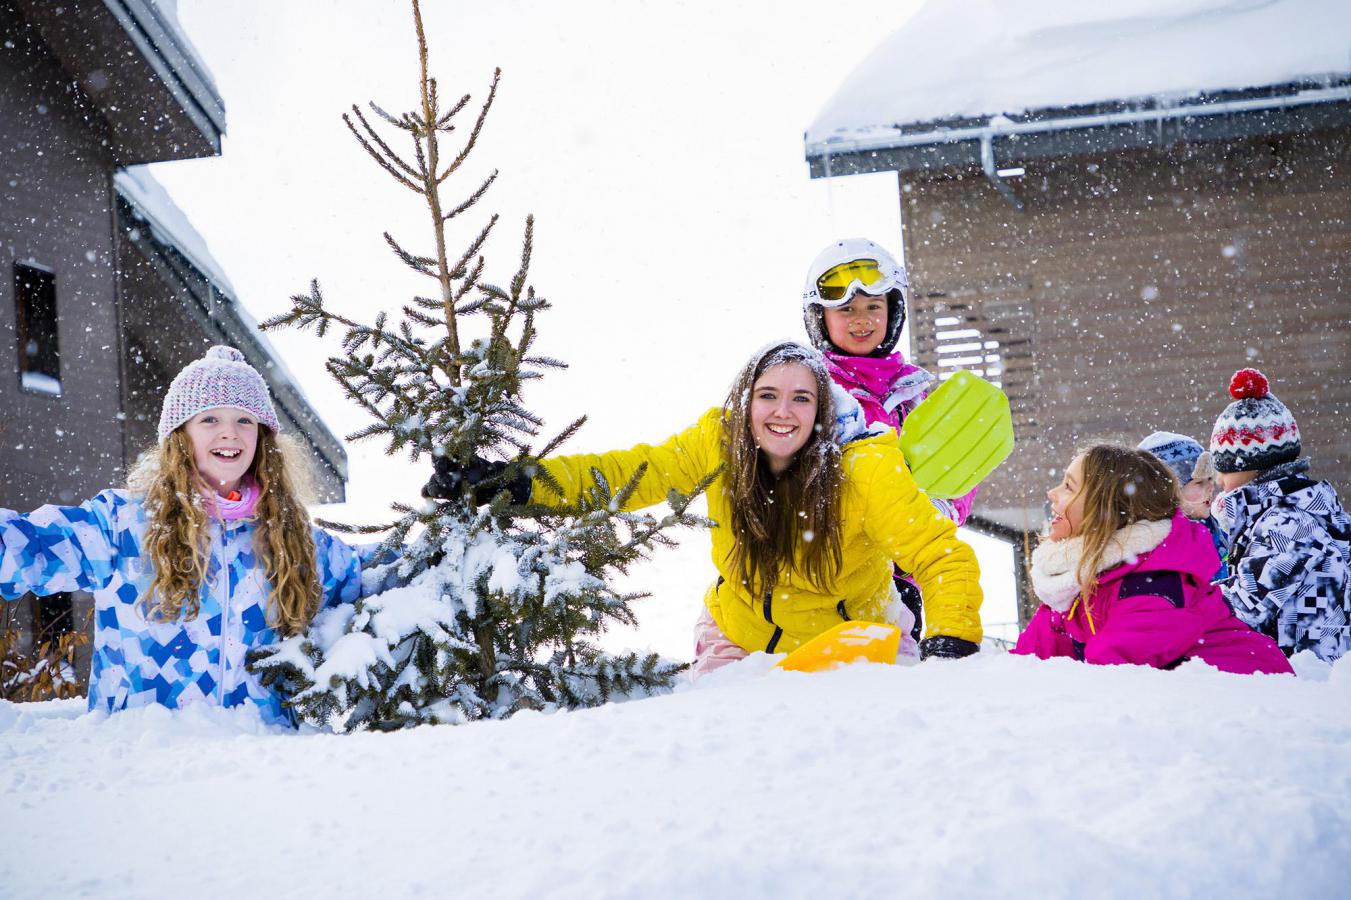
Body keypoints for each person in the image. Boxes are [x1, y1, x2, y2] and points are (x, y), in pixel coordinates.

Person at [424, 341, 984, 673]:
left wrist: (952, 640)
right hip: (739, 639)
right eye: (767, 395)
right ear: (746, 403)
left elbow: (942, 557)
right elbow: (627, 474)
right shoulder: (720, 445)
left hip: (856, 639)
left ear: (821, 411)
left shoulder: (863, 469)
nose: (782, 412)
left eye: (801, 398)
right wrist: (515, 482)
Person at [0, 346, 369, 725]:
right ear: (181, 437)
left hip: (262, 764)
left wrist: (435, 517)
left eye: (245, 420)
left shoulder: (293, 539)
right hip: (147, 761)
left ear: (262, 438)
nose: (230, 432)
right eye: (209, 419)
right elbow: (27, 546)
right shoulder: (123, 525)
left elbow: (377, 573)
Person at [800, 238, 981, 655]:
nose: (861, 320)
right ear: (820, 318)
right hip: (837, 574)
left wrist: (942, 504)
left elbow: (958, 468)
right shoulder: (810, 392)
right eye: (846, 309)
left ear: (893, 312)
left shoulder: (918, 394)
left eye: (873, 307)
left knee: (895, 686)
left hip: (907, 579)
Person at [1012, 444, 1291, 675]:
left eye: (1069, 487)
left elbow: (1108, 678)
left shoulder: (1155, 588)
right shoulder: (1083, 584)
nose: (1052, 493)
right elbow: (1026, 664)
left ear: (1108, 511)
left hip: (1256, 712)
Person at [1208, 368, 1350, 664]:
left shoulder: (1287, 526)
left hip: (1305, 678)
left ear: (1250, 468)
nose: (1219, 481)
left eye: (1224, 469)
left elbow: (1242, 608)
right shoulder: (1307, 510)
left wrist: (1175, 599)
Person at [1137, 431, 1227, 580]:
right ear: (1168, 493)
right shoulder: (1157, 548)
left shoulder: (1217, 533)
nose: (1211, 486)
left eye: (1210, 478)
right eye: (1199, 482)